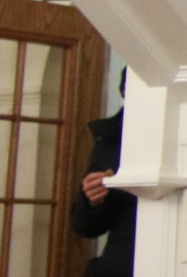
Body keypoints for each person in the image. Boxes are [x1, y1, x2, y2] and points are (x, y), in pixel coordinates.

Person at [70, 70, 136, 277]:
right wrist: (91, 201)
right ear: (124, 91)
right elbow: (85, 227)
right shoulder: (111, 137)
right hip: (120, 263)